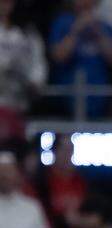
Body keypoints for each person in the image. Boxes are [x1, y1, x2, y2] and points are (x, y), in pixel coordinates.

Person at [48, 0, 112, 118]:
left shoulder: (105, 27)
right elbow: (58, 56)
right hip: (67, 101)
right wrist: (76, 30)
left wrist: (98, 33)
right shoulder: (62, 23)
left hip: (100, 102)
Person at [0, 0, 47, 142]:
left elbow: (38, 69)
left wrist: (34, 83)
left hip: (18, 107)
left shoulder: (28, 34)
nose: (5, 5)